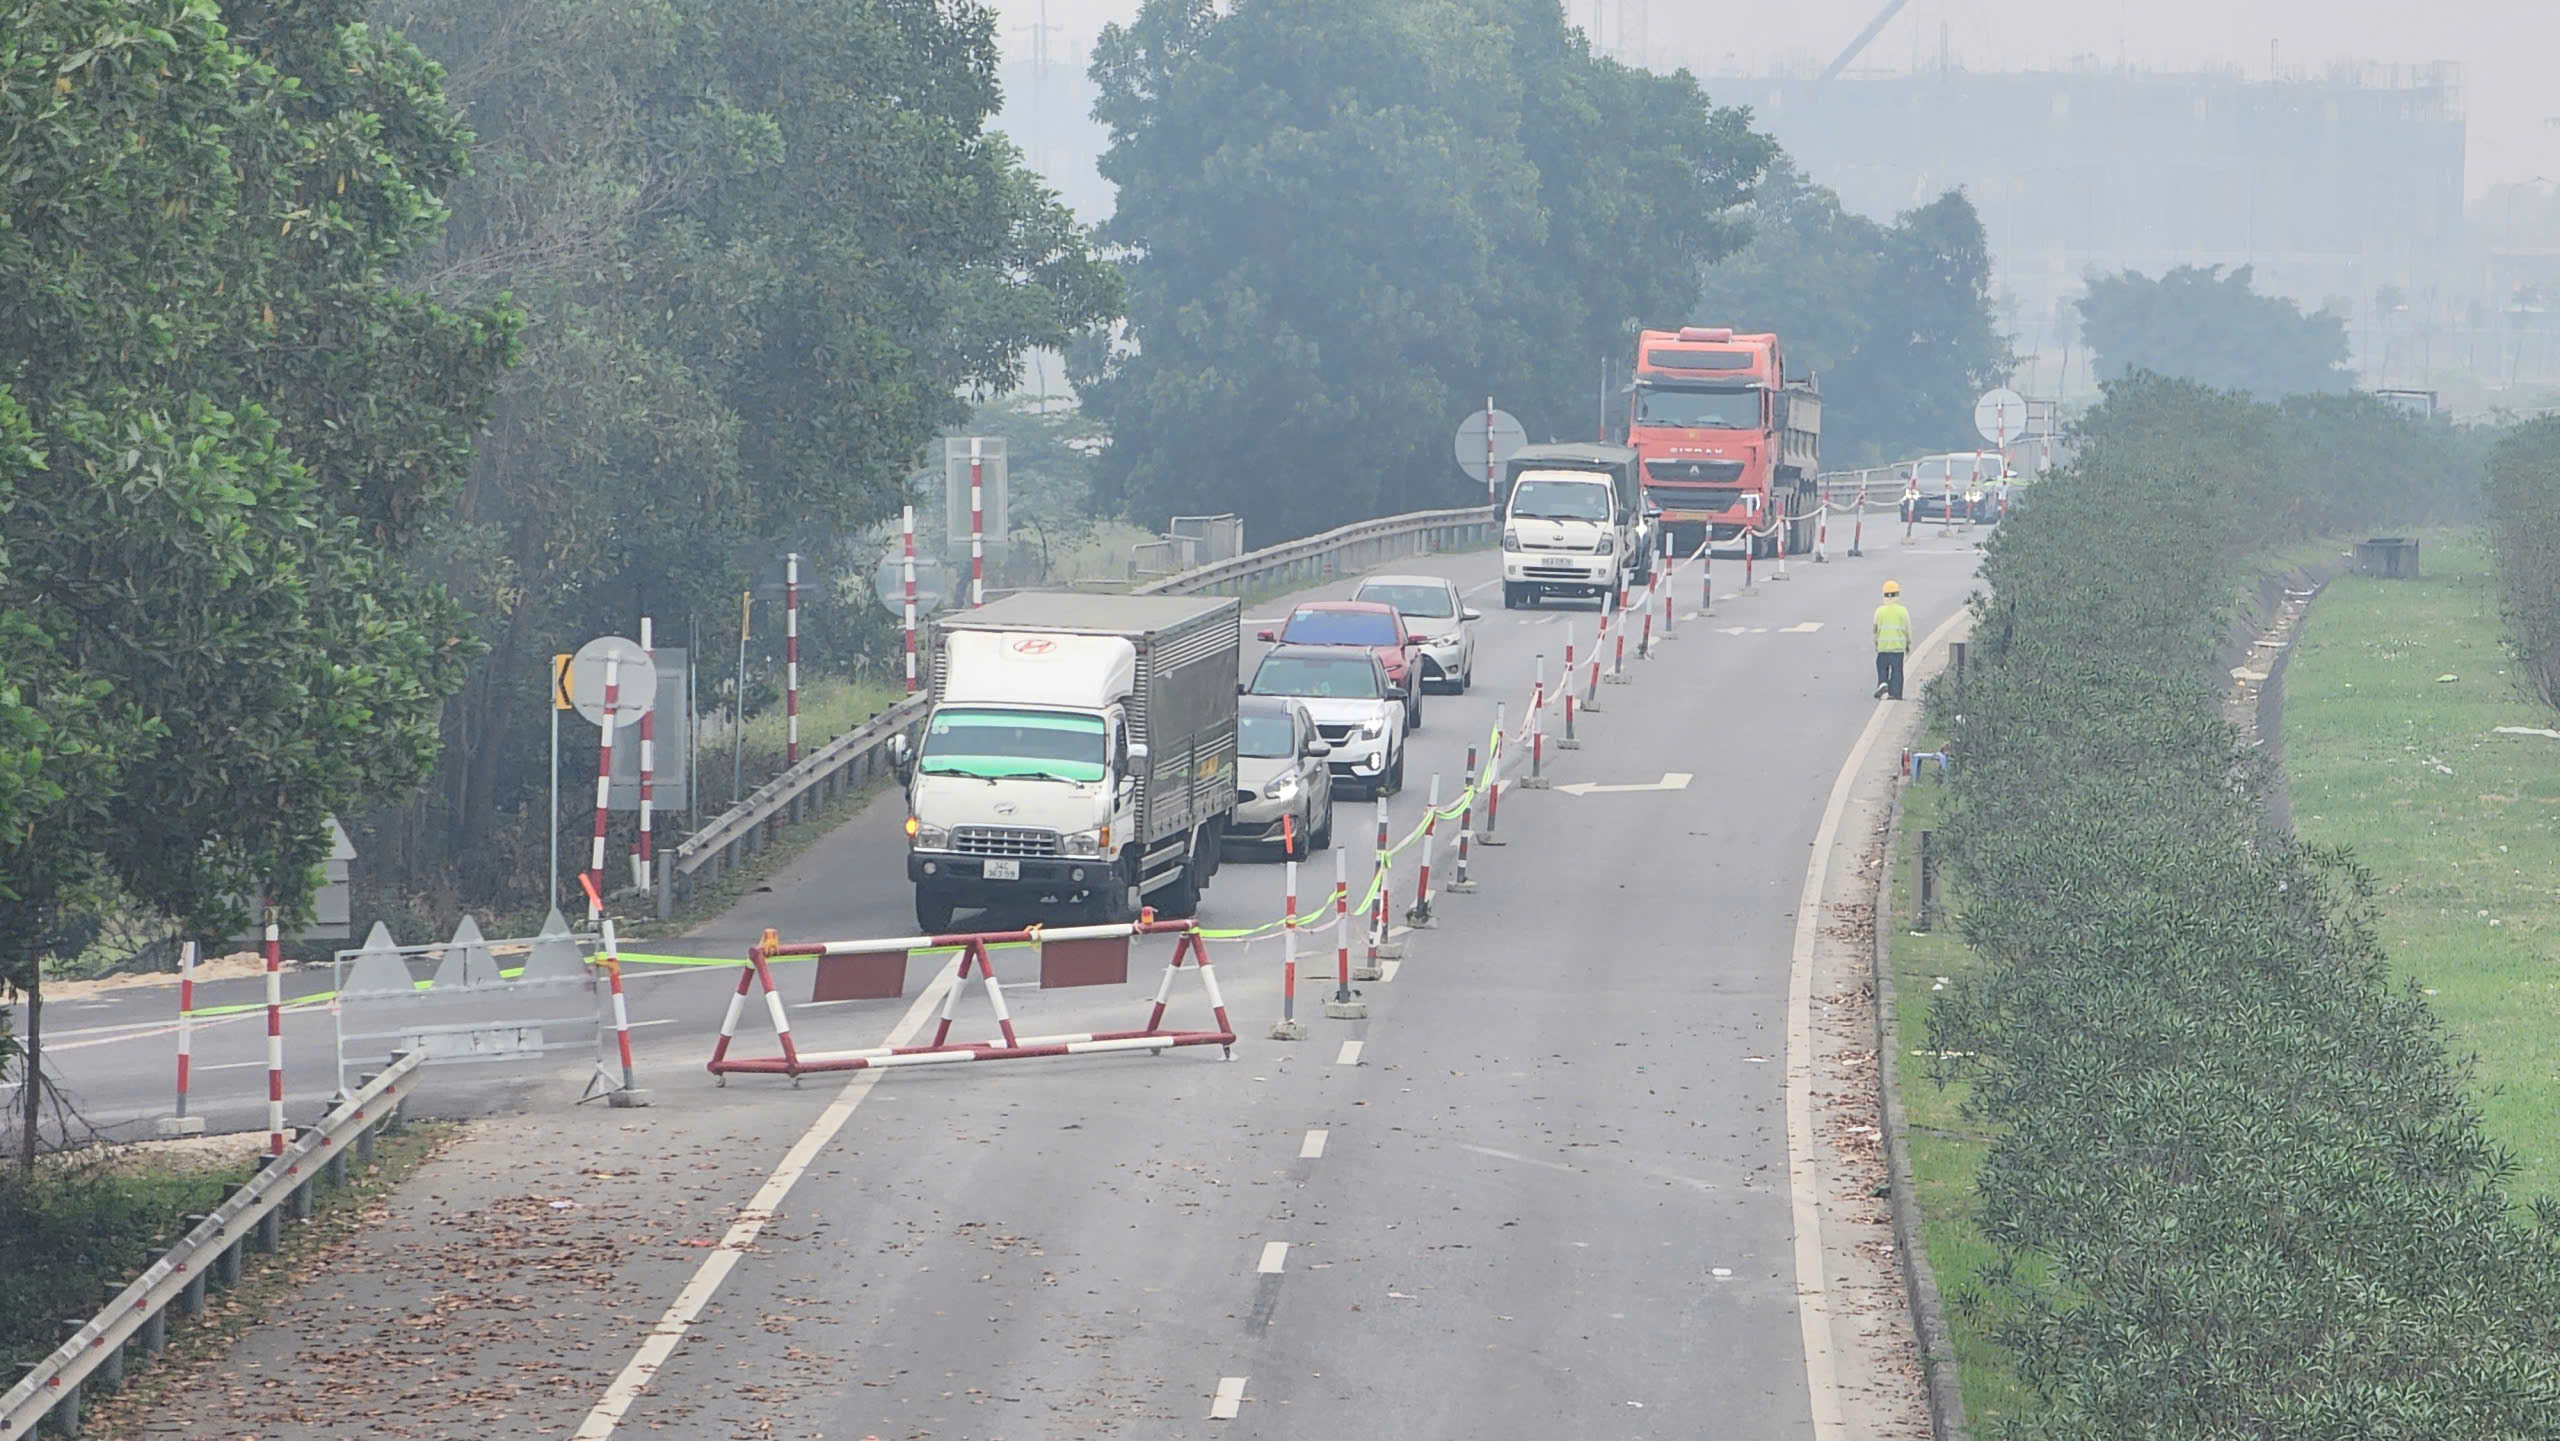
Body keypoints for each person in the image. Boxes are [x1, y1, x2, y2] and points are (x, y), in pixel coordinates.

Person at [1873, 580, 1911, 700]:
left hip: (1883, 647)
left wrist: (1876, 643)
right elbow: (1907, 629)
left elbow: (1875, 629)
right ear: (1897, 595)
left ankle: (1883, 685)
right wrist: (1908, 644)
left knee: (1882, 668)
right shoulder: (1903, 611)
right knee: (1897, 671)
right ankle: (1896, 693)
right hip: (1898, 647)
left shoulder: (1879, 611)